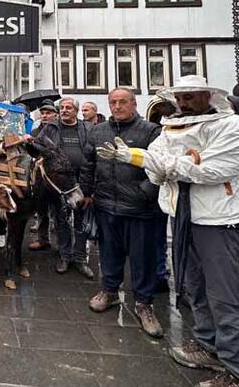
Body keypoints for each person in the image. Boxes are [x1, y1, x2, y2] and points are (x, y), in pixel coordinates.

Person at [99, 76, 239, 386]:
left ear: (207, 97)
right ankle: (208, 346)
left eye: (190, 97)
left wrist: (165, 163)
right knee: (195, 289)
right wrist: (149, 160)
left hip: (218, 220)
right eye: (180, 98)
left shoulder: (233, 127)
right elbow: (156, 168)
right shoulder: (171, 128)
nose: (184, 103)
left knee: (227, 297)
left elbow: (213, 169)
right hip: (182, 215)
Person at [80, 88, 163, 338]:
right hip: (106, 204)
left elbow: (160, 167)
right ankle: (109, 290)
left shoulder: (150, 131)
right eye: (113, 102)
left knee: (142, 258)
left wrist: (144, 192)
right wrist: (86, 192)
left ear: (134, 103)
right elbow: (88, 164)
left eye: (122, 102)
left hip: (140, 209)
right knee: (108, 252)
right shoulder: (98, 131)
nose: (117, 106)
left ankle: (144, 303)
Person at [50, 97, 93, 278]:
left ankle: (81, 258)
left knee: (81, 222)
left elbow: (94, 157)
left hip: (82, 182)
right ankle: (65, 256)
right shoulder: (51, 128)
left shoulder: (88, 128)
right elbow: (39, 145)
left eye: (69, 108)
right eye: (62, 107)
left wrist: (91, 189)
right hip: (61, 185)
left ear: (76, 111)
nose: (64, 110)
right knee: (62, 221)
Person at [145, 96, 178, 293]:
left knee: (159, 235)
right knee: (154, 236)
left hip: (167, 192)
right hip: (153, 190)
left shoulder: (165, 133)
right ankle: (158, 272)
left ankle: (161, 273)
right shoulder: (155, 133)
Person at [28, 99, 61, 252]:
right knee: (41, 210)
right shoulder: (35, 132)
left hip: (57, 178)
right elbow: (30, 153)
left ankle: (63, 245)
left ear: (55, 114)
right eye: (42, 113)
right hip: (40, 178)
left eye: (48, 113)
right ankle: (43, 240)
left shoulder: (60, 130)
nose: (45, 116)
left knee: (60, 212)